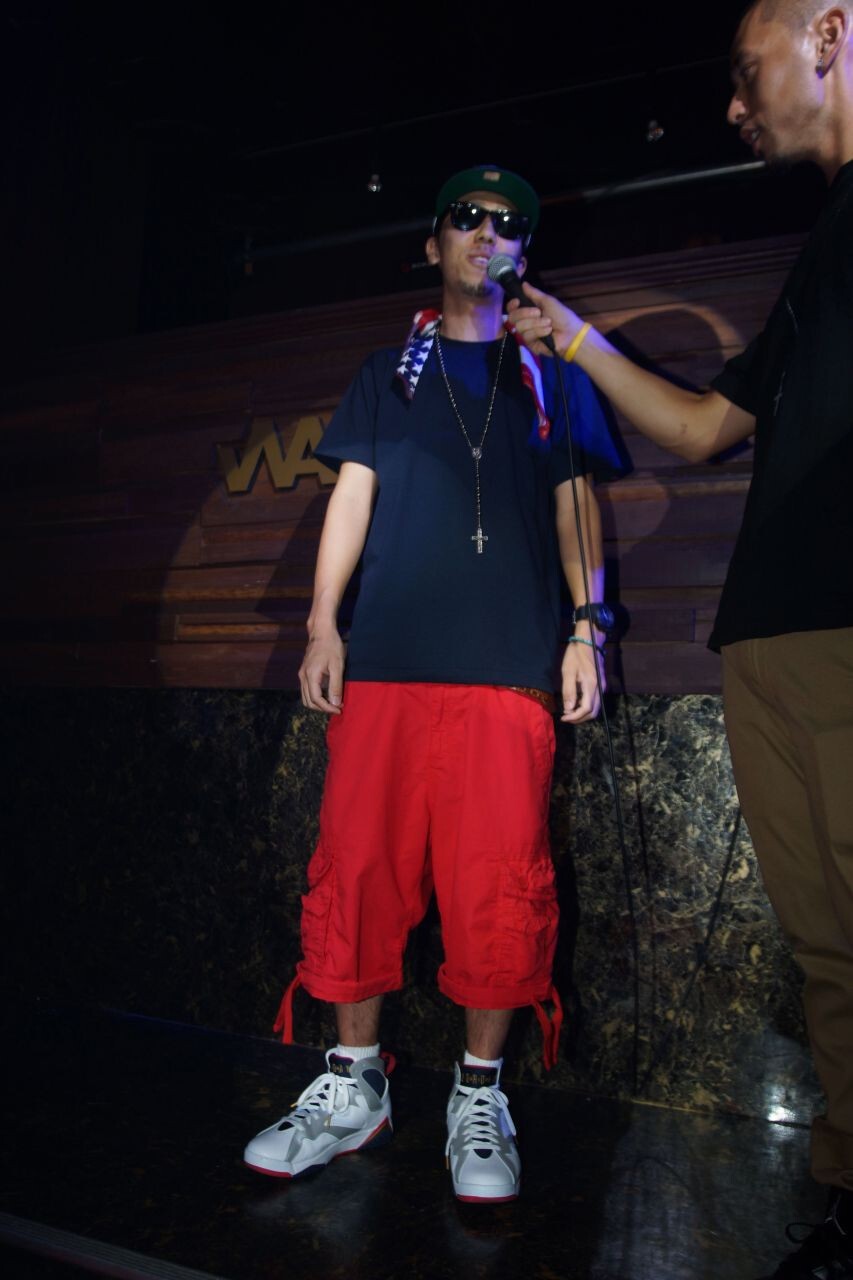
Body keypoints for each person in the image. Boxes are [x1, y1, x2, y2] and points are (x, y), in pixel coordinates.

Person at [508, 2, 853, 1274]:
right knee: (828, 949)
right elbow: (709, 428)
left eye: (744, 69)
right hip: (769, 636)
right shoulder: (826, 242)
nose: (732, 103)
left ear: (828, 34)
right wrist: (575, 339)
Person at [243, 164, 623, 1202]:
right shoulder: (389, 374)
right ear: (433, 243)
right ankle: (354, 1083)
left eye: (507, 224)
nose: (486, 233)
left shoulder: (549, 376)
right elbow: (351, 498)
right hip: (387, 664)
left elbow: (575, 507)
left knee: (499, 888)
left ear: (523, 254)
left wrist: (586, 627)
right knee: (357, 874)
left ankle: (478, 1094)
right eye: (467, 217)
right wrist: (321, 623)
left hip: (506, 670)